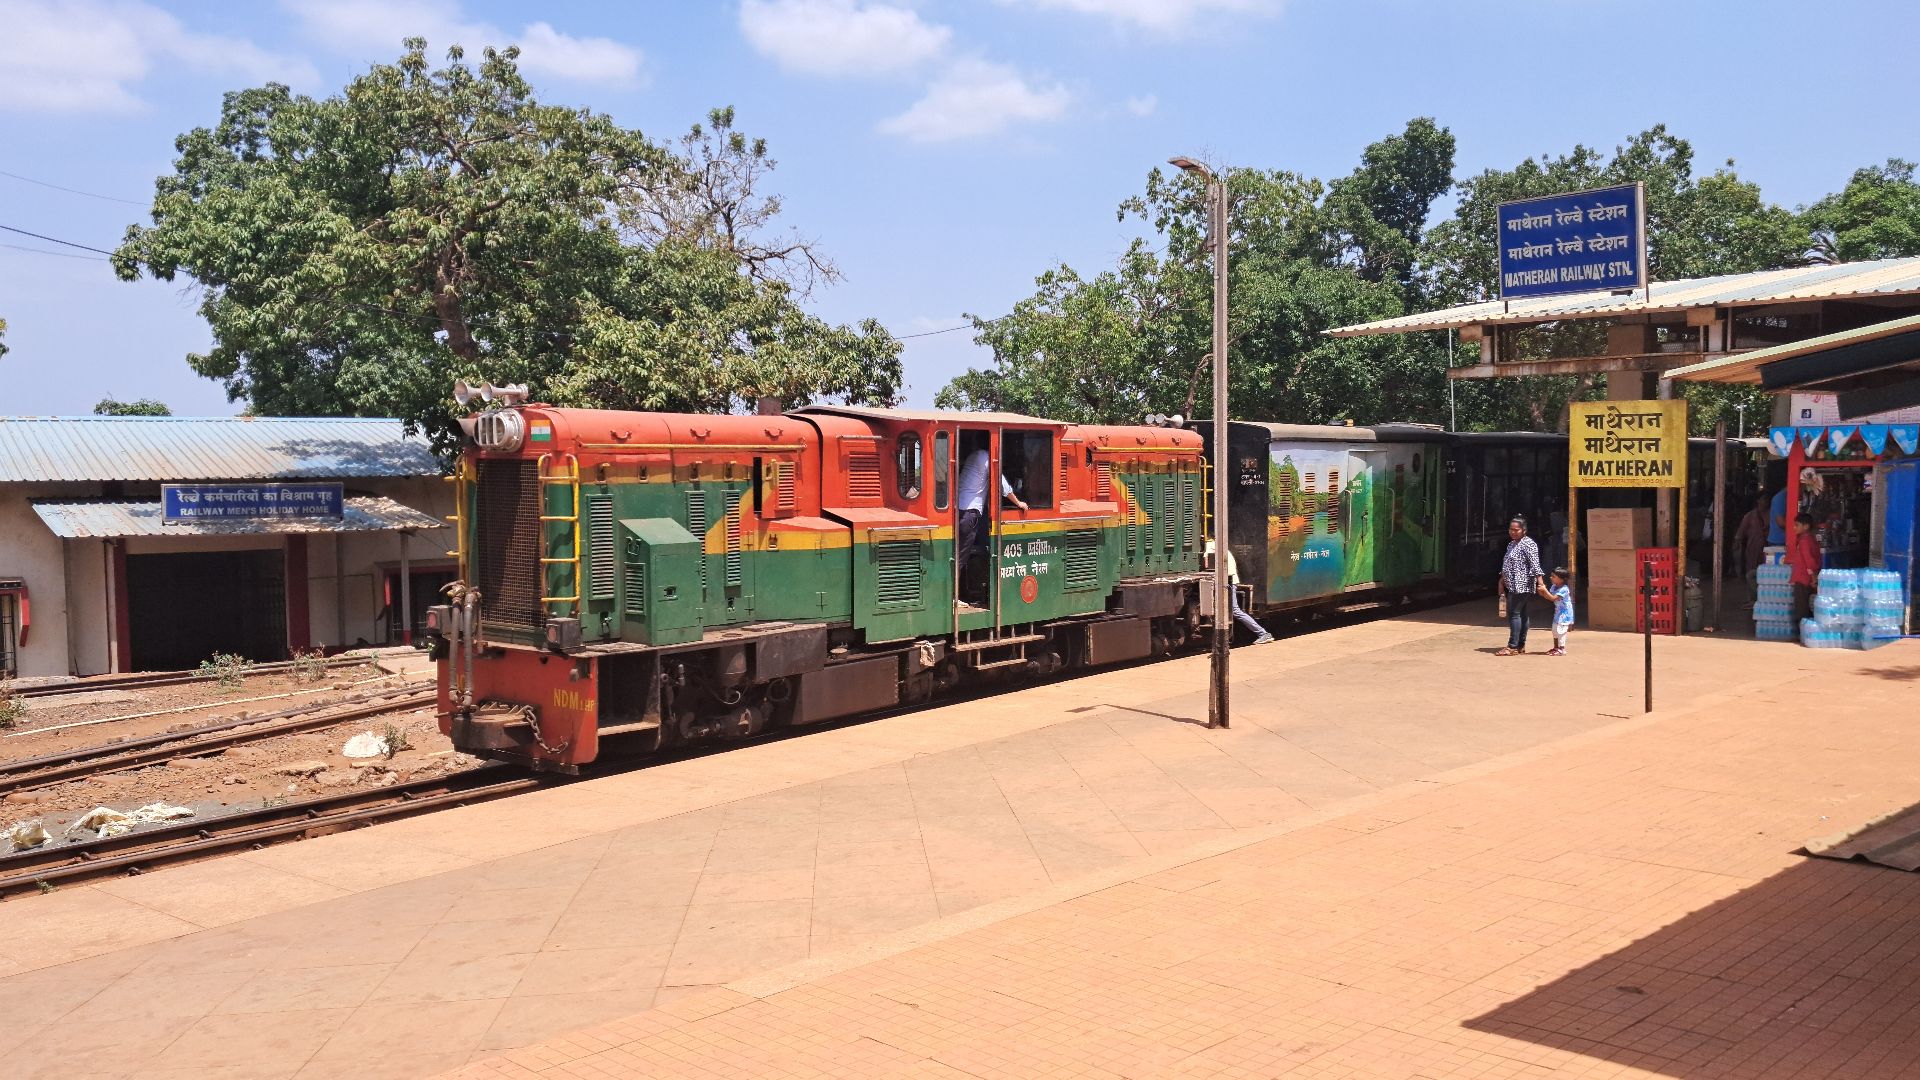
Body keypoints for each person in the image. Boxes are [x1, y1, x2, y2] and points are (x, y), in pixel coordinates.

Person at [956, 447, 1026, 599]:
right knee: (961, 556)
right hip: (970, 512)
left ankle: (963, 593)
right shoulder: (987, 459)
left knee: (962, 554)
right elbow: (1004, 487)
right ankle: (954, 598)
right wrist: (1019, 503)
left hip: (959, 510)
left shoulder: (973, 454)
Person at [1206, 539, 1274, 645]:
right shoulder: (1224, 551)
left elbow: (1207, 561)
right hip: (1229, 583)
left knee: (1235, 611)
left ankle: (1263, 633)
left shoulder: (1213, 548)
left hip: (1229, 584)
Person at [1496, 516, 1543, 656]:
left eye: (1516, 530)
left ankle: (1513, 646)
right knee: (1521, 613)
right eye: (1511, 529)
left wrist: (1541, 583)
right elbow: (1508, 564)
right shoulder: (1511, 544)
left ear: (1524, 530)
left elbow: (1535, 565)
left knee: (1514, 614)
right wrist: (1502, 580)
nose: (1513, 532)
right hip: (1512, 584)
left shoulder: (1528, 544)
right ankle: (1520, 645)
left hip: (1522, 584)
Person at [1786, 511, 1822, 630]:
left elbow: (1809, 561)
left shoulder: (1804, 541)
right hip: (1807, 577)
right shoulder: (1811, 540)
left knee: (1801, 607)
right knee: (1807, 605)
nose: (1794, 527)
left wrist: (1813, 576)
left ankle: (1803, 632)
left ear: (1806, 526)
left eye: (1797, 525)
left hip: (1803, 578)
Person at [1733, 495, 1770, 595]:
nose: (1766, 502)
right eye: (1764, 499)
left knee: (1766, 571)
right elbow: (1741, 530)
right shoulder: (1750, 515)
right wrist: (1737, 542)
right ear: (1758, 500)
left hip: (1767, 547)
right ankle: (1751, 596)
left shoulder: (1770, 514)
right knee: (1751, 571)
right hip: (1753, 547)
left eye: (1767, 500)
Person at [1539, 568, 1574, 656]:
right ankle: (1556, 647)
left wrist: (1544, 590)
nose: (1551, 578)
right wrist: (1542, 591)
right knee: (1555, 630)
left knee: (1560, 631)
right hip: (1558, 612)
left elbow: (1553, 598)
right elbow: (1548, 597)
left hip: (1565, 614)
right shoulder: (1554, 586)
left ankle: (1561, 648)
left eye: (1554, 576)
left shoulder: (1564, 589)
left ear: (1561, 579)